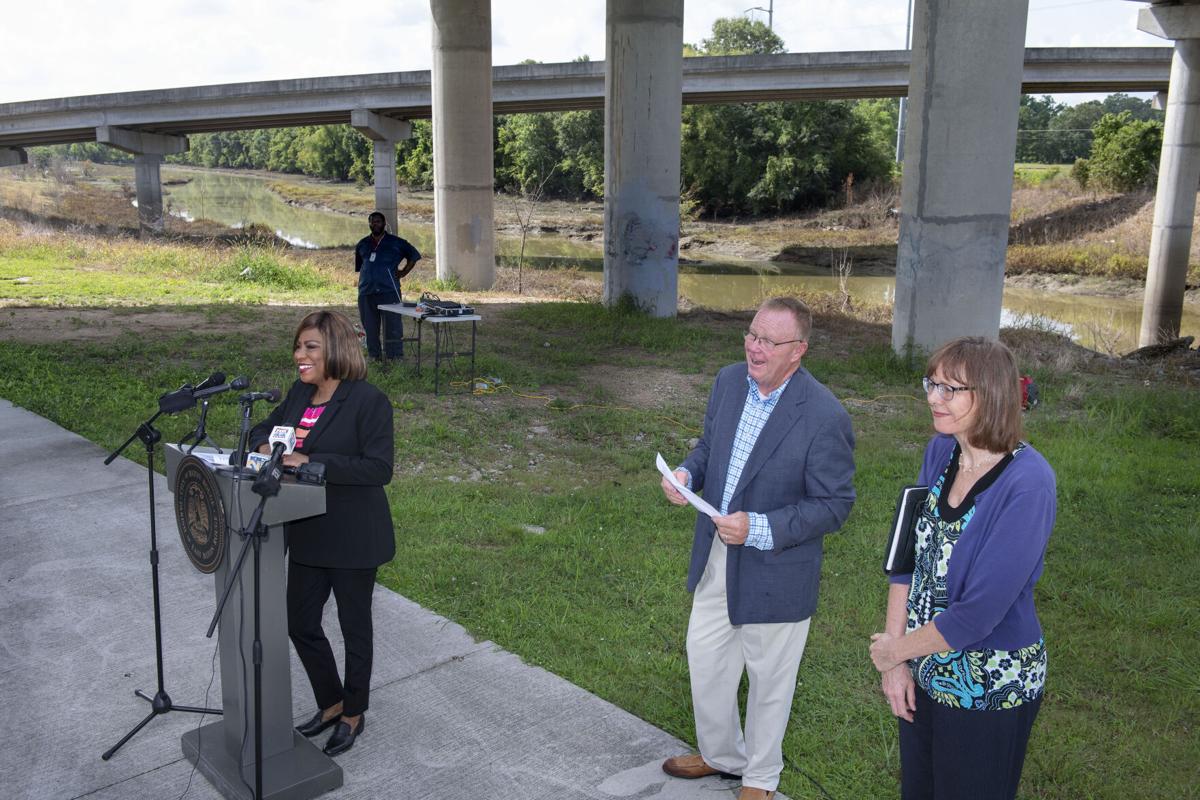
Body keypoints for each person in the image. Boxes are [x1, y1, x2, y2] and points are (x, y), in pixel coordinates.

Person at [659, 297, 856, 800]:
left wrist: (760, 528)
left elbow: (834, 505)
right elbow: (708, 447)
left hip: (776, 567)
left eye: (769, 341)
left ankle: (760, 779)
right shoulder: (728, 381)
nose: (754, 348)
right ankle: (721, 755)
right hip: (717, 555)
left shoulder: (824, 415)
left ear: (799, 351)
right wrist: (686, 473)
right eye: (751, 335)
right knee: (705, 659)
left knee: (769, 680)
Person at [869, 336, 1056, 800]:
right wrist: (897, 660)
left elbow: (978, 614)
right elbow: (905, 557)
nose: (934, 398)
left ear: (990, 395)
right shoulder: (941, 451)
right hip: (925, 666)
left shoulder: (1028, 483)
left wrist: (897, 651)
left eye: (951, 389)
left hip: (989, 683)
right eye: (932, 384)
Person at [249, 309, 395, 757]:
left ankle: (354, 714)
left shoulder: (369, 401)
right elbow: (261, 430)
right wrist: (265, 445)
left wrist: (310, 463)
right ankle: (331, 702)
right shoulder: (299, 394)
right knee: (300, 622)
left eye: (310, 347)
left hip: (353, 536)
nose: (300, 355)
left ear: (335, 349)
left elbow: (378, 468)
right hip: (308, 531)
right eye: (298, 346)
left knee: (355, 629)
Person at [354, 211, 421, 361]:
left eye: (378, 221)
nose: (375, 224)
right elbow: (362, 267)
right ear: (369, 224)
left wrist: (403, 272)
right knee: (370, 326)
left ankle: (395, 355)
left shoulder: (396, 242)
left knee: (393, 325)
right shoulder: (363, 244)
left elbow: (414, 255)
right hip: (367, 291)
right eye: (372, 221)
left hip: (389, 290)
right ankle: (374, 355)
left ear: (384, 224)